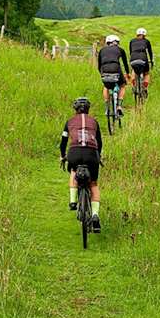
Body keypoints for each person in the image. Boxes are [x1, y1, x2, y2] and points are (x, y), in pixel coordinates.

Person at [60, 97, 103, 232]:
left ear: (75, 109)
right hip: (92, 154)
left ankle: (73, 201)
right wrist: (98, 155)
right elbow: (99, 142)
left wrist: (63, 156)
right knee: (93, 184)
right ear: (88, 109)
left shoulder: (69, 122)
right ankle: (95, 215)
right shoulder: (94, 122)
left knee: (73, 171)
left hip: (74, 152)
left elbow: (63, 141)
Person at [97, 34, 130, 113]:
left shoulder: (102, 50)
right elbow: (125, 63)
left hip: (104, 69)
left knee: (106, 87)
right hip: (116, 68)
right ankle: (119, 105)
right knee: (122, 85)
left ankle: (107, 107)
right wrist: (128, 73)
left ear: (107, 42)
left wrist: (101, 74)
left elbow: (99, 65)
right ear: (117, 42)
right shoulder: (120, 49)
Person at [129, 27, 155, 95]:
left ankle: (133, 86)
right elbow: (150, 52)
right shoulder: (146, 41)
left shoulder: (132, 41)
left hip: (133, 57)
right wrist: (151, 61)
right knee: (146, 73)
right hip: (143, 58)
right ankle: (145, 88)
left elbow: (131, 51)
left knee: (134, 70)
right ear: (145, 35)